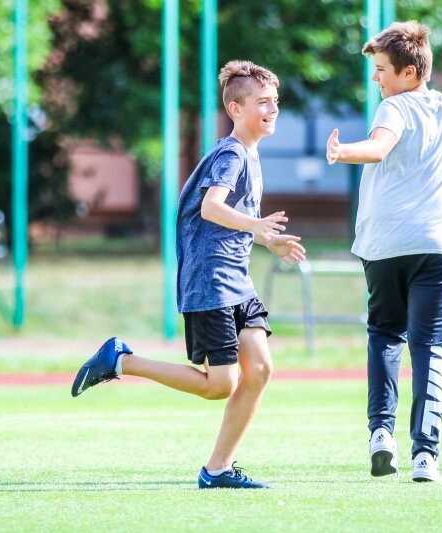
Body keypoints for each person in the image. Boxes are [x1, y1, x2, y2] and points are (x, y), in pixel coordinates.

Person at [72, 60, 305, 490]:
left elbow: (227, 222)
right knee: (220, 385)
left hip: (237, 281)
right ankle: (121, 360)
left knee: (259, 369)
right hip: (211, 283)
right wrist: (256, 226)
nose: (272, 109)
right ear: (235, 109)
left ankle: (217, 470)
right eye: (262, 102)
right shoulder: (232, 154)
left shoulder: (249, 154)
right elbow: (211, 208)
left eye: (275, 101)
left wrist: (266, 240)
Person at [326, 21, 442, 482]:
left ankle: (381, 434)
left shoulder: (394, 106)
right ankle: (426, 455)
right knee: (430, 345)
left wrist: (342, 151)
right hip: (438, 245)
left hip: (387, 244)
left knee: (385, 335)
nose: (376, 79)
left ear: (409, 73)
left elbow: (379, 148)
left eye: (382, 70)